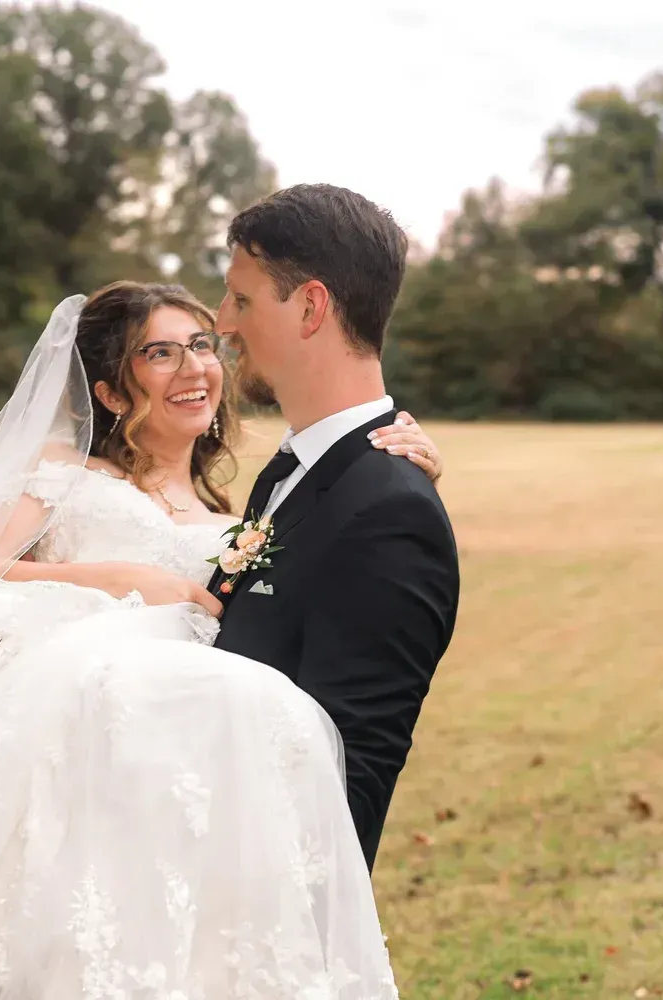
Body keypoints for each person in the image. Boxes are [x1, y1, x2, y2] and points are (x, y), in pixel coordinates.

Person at [0, 278, 447, 999]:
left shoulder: (245, 505)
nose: (195, 367)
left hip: (171, 769)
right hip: (71, 747)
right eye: (158, 354)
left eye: (201, 346)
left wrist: (395, 466)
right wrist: (112, 577)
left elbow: (322, 557)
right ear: (108, 392)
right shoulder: (67, 476)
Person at [211, 184, 461, 868]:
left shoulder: (390, 513)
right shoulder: (284, 474)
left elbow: (347, 782)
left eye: (241, 299)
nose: (222, 323)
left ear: (311, 307)